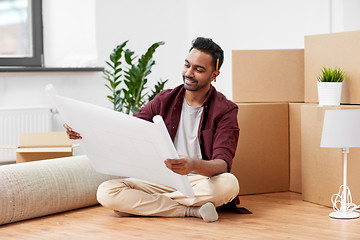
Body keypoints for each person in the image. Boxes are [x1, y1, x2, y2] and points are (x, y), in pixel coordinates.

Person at [64, 37, 240, 222]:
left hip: (201, 182)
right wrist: (84, 131)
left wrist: (192, 164)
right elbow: (126, 130)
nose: (189, 73)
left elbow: (222, 164)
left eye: (199, 69)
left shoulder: (226, 110)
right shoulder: (165, 99)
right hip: (161, 180)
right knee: (107, 191)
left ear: (214, 75)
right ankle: (191, 210)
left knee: (229, 184)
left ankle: (147, 205)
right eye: (187, 65)